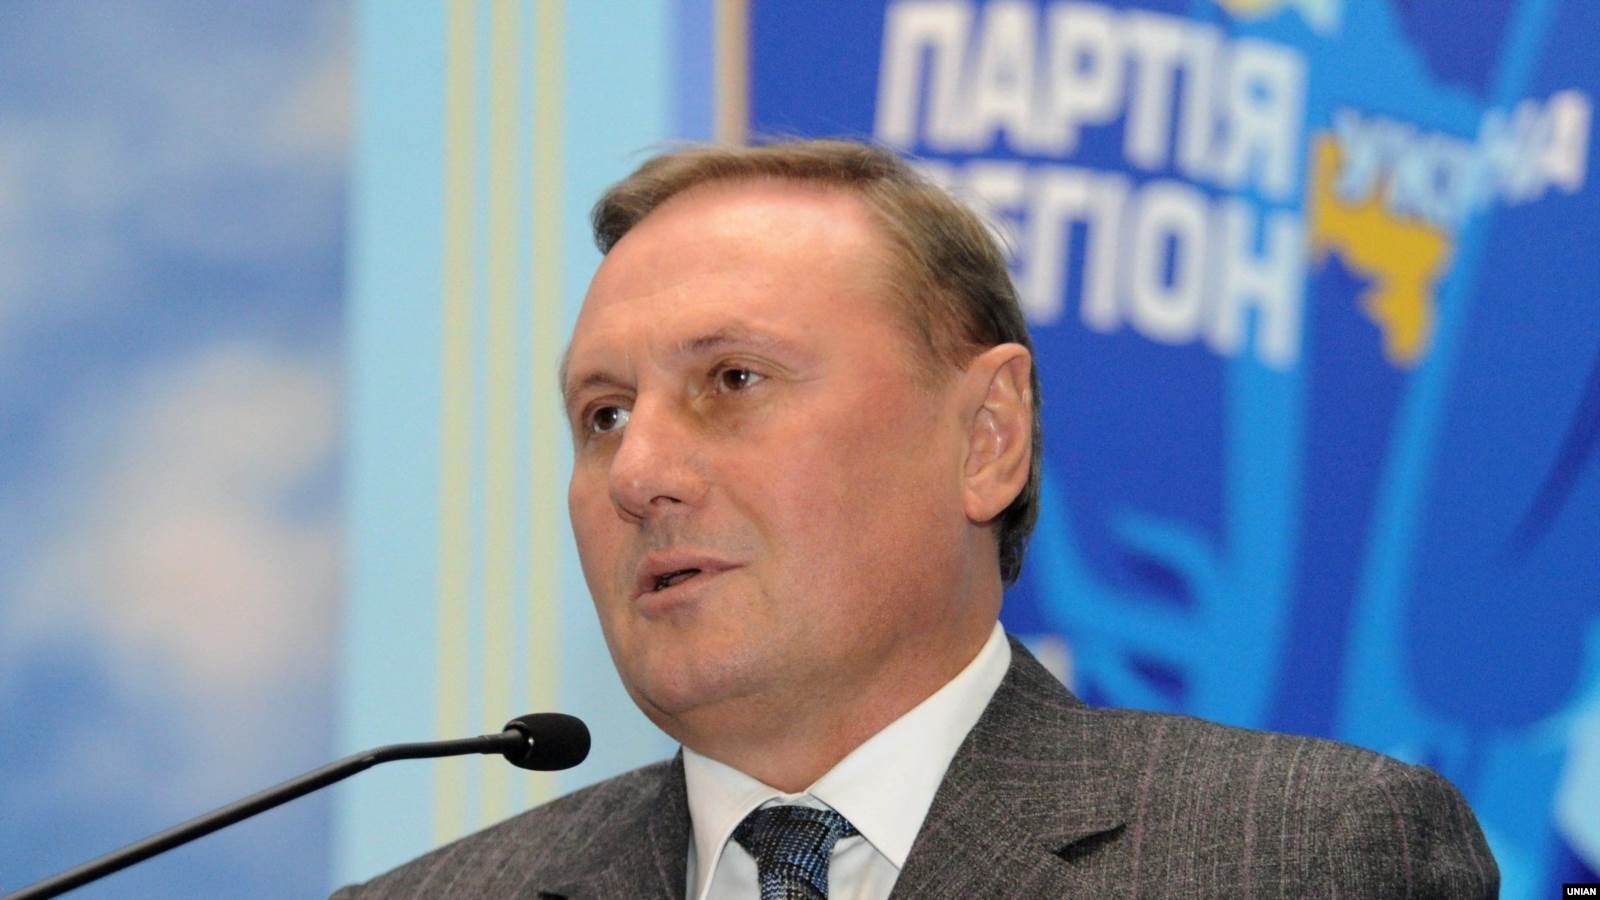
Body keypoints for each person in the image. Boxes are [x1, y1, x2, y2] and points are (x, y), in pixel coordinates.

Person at [334, 140, 1498, 899]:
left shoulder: (1305, 855)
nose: (637, 471)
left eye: (732, 380)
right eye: (602, 415)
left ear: (986, 437)